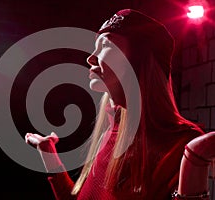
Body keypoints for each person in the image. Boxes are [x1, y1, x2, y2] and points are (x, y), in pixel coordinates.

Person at [25, 9, 205, 200]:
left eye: (106, 45)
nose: (90, 58)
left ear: (138, 59)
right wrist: (47, 152)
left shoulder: (181, 144)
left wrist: (199, 153)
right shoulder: (109, 134)